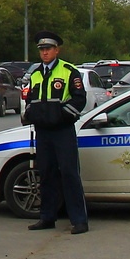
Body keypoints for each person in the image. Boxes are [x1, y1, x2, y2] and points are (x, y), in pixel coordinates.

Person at [21, 31, 89, 235]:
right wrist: (32, 114)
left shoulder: (68, 71)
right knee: (46, 175)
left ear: (56, 50)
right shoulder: (34, 74)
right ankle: (47, 217)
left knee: (69, 174)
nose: (44, 53)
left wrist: (61, 117)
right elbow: (31, 99)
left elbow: (79, 99)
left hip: (62, 131)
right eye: (41, 50)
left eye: (48, 49)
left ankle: (79, 220)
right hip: (43, 132)